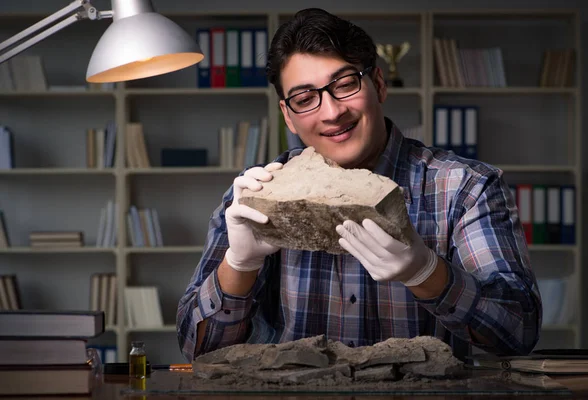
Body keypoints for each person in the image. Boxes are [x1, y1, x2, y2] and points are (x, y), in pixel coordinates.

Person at [176, 8, 541, 363]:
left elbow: (519, 332)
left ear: (378, 84)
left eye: (345, 84)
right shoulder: (255, 194)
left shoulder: (465, 188)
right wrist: (240, 265)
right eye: (305, 99)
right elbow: (196, 351)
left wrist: (427, 273)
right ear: (288, 116)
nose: (332, 112)